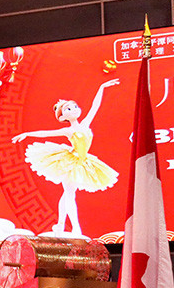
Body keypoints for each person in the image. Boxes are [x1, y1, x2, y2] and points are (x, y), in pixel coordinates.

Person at [12, 78, 120, 236]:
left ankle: (61, 225)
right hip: (70, 163)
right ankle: (76, 227)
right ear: (63, 118)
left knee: (68, 193)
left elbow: (95, 106)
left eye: (75, 106)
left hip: (83, 161)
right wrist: (27, 134)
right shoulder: (68, 130)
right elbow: (46, 133)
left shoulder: (85, 124)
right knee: (70, 194)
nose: (74, 109)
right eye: (69, 109)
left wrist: (102, 87)